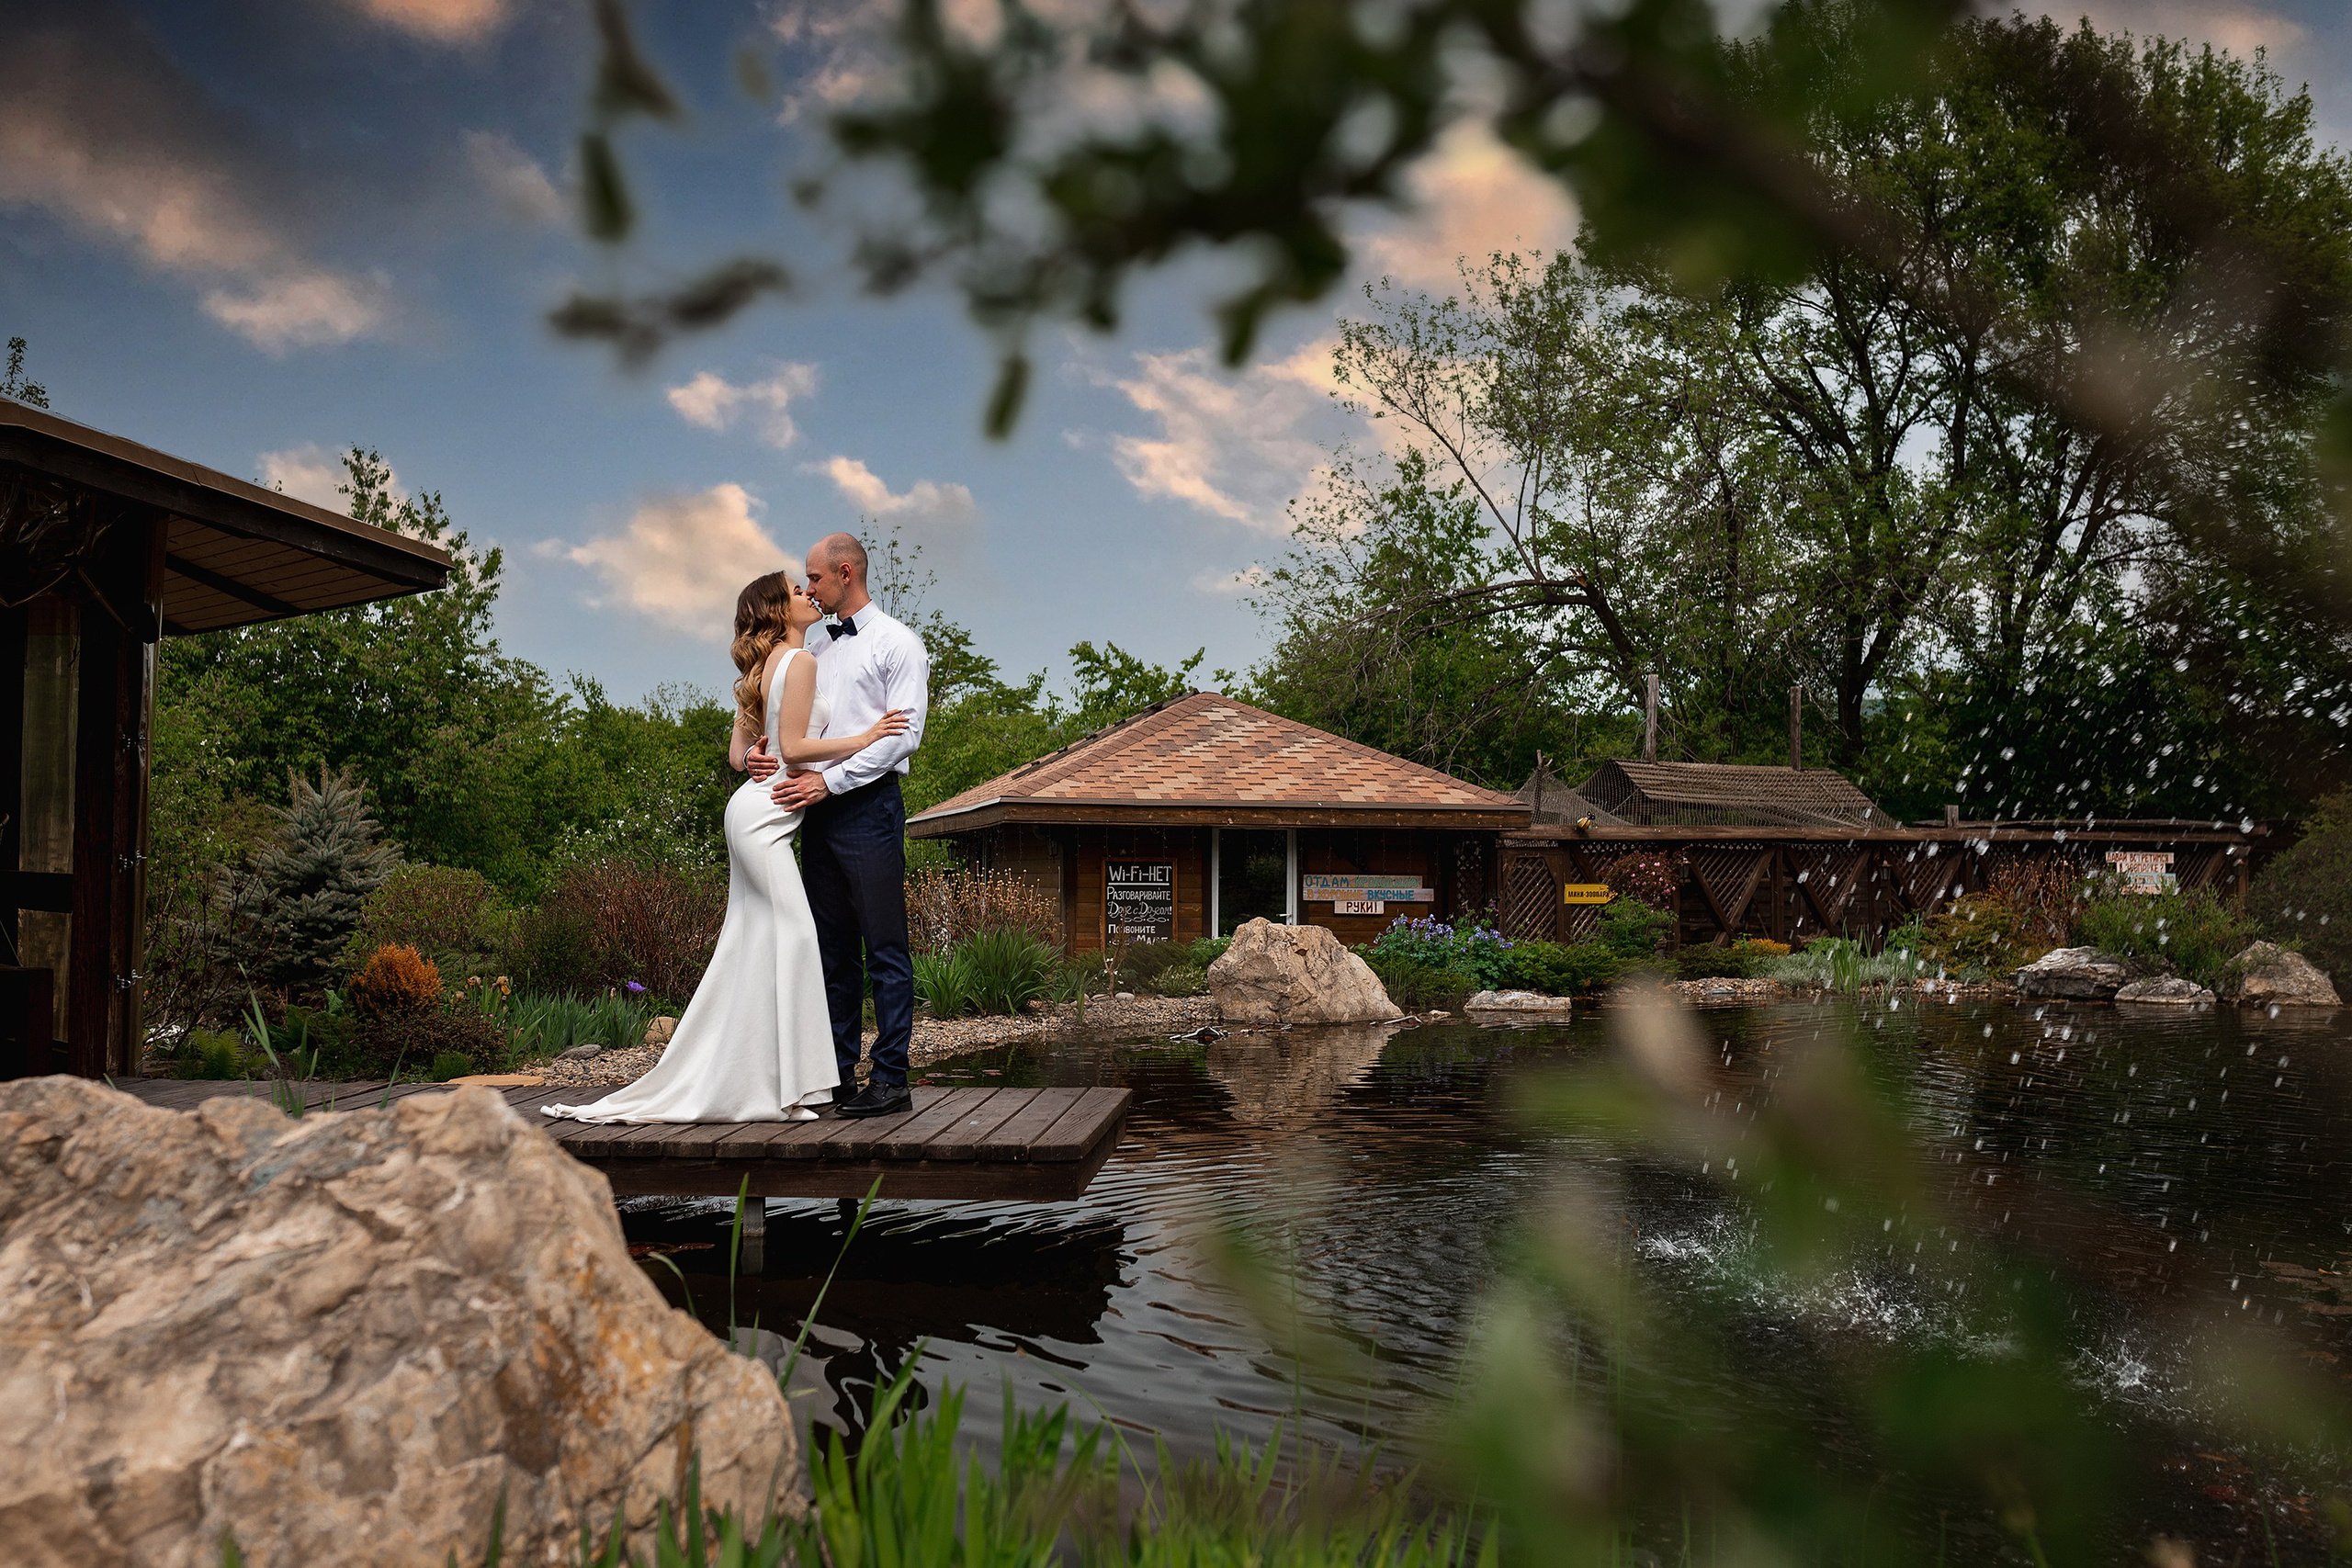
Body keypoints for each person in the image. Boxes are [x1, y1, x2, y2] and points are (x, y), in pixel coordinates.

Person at [543, 570, 910, 1123]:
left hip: (754, 809)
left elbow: (741, 753)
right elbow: (793, 745)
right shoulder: (802, 661)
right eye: (795, 590)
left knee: (755, 942)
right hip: (765, 817)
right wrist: (867, 735)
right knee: (796, 939)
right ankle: (794, 1085)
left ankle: (778, 1079)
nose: (807, 593)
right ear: (778, 612)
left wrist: (756, 755)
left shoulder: (763, 669)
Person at [750, 531, 930, 1117]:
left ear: (846, 573)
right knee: (831, 952)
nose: (808, 589)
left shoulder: (898, 644)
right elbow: (798, 732)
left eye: (816, 578)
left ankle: (892, 1081)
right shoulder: (815, 651)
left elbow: (904, 737)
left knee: (884, 947)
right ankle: (837, 1073)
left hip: (869, 808)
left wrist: (832, 781)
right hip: (816, 812)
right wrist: (763, 755)